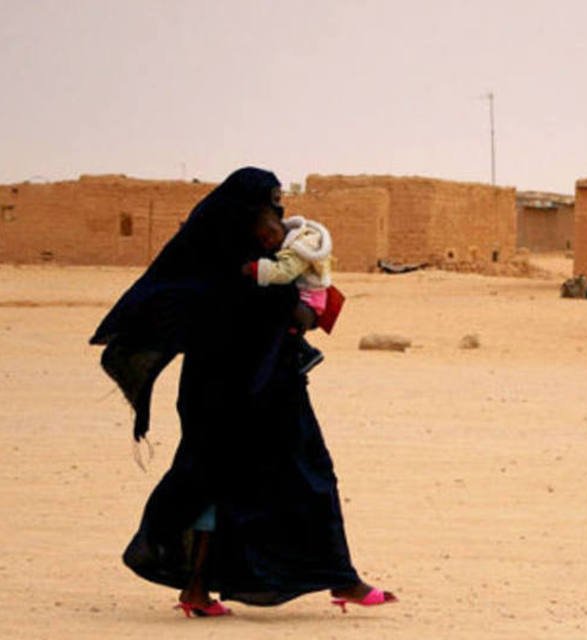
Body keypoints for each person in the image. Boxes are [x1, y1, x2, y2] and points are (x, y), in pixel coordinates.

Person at [89, 167, 395, 618]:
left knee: (300, 476)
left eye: (278, 210)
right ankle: (205, 588)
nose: (276, 223)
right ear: (241, 214)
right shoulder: (219, 266)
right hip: (224, 395)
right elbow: (280, 313)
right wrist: (301, 306)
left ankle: (337, 576)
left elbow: (291, 311)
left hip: (271, 386)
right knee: (214, 482)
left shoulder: (260, 263)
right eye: (267, 212)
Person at [242, 211, 333, 374]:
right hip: (310, 296)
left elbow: (285, 272)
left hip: (309, 299)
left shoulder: (300, 249)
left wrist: (256, 268)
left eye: (272, 233)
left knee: (285, 322)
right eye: (263, 239)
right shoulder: (289, 243)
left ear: (282, 225)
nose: (269, 239)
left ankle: (308, 353)